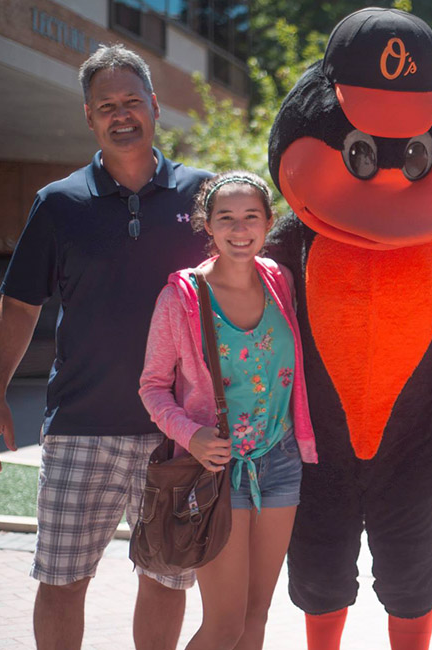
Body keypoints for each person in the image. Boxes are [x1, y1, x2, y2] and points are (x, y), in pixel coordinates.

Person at [0, 45, 211, 649]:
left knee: (165, 579)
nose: (121, 114)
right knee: (62, 579)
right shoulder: (58, 203)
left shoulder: (202, 198)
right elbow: (20, 304)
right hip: (81, 428)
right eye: (107, 105)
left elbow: (238, 299)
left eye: (132, 100)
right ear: (89, 117)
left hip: (175, 434)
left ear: (155, 106)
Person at [139, 170, 317, 649]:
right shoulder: (182, 295)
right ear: (208, 225)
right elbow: (153, 386)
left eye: (251, 217)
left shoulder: (279, 281)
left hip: (280, 462)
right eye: (227, 219)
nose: (240, 230)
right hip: (215, 470)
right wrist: (190, 435)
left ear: (267, 222)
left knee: (256, 618)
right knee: (224, 625)